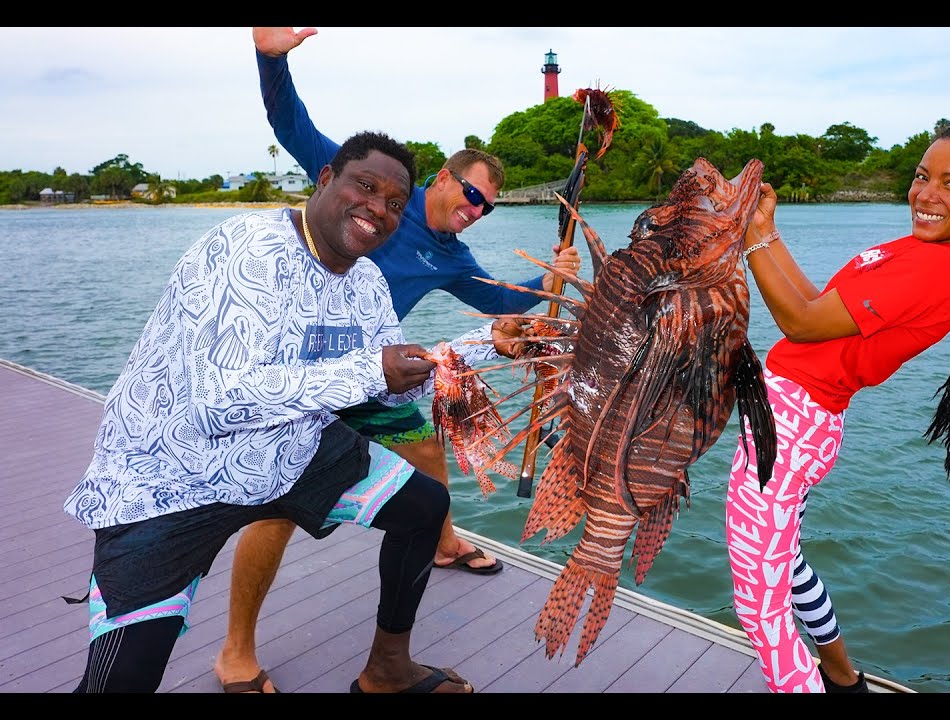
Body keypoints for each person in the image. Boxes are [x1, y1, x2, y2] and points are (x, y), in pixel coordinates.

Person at [63, 131, 530, 693]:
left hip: (291, 450)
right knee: (121, 680)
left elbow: (390, 391)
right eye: (365, 186)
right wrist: (371, 370)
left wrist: (482, 345)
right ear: (327, 178)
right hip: (171, 473)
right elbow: (221, 399)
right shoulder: (246, 250)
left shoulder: (366, 283)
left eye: (393, 203)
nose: (377, 209)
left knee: (423, 506)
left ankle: (387, 670)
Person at [211, 27, 583, 692]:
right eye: (470, 196)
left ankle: (441, 543)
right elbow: (290, 123)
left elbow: (498, 298)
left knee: (427, 460)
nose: (475, 213)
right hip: (302, 377)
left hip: (375, 380)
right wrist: (270, 60)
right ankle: (235, 650)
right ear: (441, 178)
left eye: (487, 209)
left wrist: (552, 280)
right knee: (277, 511)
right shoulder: (374, 187)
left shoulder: (450, 255)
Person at [725, 122, 950, 693]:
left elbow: (800, 324)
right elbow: (814, 305)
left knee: (759, 605)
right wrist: (764, 230)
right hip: (795, 416)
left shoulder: (943, 267)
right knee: (785, 565)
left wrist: (747, 242)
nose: (927, 194)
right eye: (922, 176)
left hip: (790, 427)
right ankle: (841, 676)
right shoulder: (926, 249)